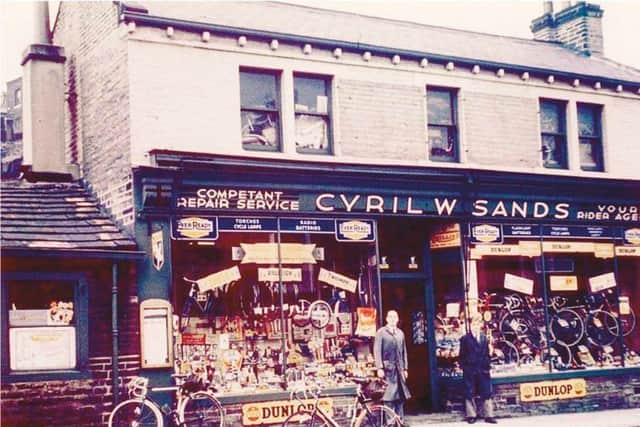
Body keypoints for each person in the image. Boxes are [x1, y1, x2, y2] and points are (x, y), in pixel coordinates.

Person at [374, 310, 411, 426]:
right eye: (390, 317)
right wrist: (379, 367)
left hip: (399, 370)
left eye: (395, 317)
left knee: (400, 397)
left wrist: (405, 368)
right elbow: (377, 350)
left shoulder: (400, 333)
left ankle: (400, 422)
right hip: (388, 371)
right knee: (388, 398)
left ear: (398, 319)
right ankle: (390, 423)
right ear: (386, 319)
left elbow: (404, 351)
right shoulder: (381, 332)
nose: (393, 319)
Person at [459, 315, 497, 424]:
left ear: (480, 325)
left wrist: (487, 364)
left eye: (478, 323)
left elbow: (487, 354)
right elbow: (461, 355)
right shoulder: (465, 339)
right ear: (470, 325)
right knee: (469, 392)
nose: (475, 326)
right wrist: (465, 367)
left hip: (482, 369)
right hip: (470, 369)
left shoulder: (484, 338)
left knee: (486, 392)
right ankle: (471, 415)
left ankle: (489, 415)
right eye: (473, 324)